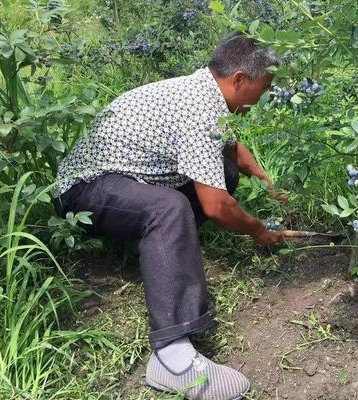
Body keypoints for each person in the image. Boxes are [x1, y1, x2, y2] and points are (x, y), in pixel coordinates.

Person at [54, 32, 284, 400]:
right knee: (169, 207)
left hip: (124, 181)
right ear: (240, 79)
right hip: (84, 190)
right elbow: (216, 207)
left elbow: (229, 146)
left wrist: (265, 179)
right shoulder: (198, 107)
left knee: (224, 175)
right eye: (264, 86)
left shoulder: (205, 92)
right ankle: (171, 356)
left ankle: (157, 255)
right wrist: (259, 231)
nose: (264, 96)